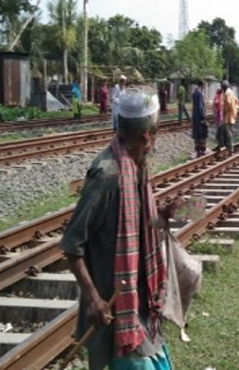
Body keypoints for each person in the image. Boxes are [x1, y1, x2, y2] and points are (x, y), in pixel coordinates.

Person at [59, 89, 177, 370]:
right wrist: (94, 299)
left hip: (141, 301)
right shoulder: (108, 175)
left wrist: (162, 215)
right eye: (157, 133)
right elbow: (71, 245)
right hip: (116, 309)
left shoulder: (137, 166)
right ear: (148, 136)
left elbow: (139, 226)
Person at [214, 80, 238, 155]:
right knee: (224, 130)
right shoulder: (232, 92)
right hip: (231, 114)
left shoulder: (227, 93)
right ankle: (223, 145)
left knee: (228, 132)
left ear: (223, 87)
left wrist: (224, 111)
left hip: (228, 115)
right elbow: (236, 101)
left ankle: (230, 149)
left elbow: (228, 103)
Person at [192, 80, 208, 157]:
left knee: (196, 134)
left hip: (195, 116)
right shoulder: (200, 94)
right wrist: (204, 117)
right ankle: (202, 150)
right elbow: (200, 107)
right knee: (202, 133)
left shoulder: (194, 93)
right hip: (199, 117)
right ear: (202, 86)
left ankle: (197, 149)